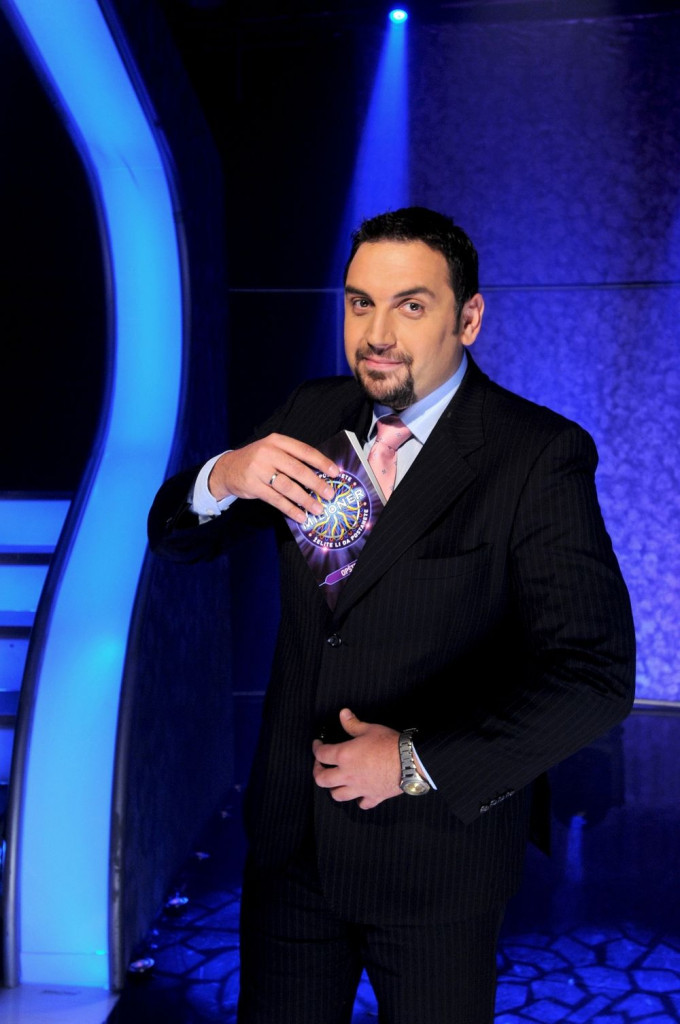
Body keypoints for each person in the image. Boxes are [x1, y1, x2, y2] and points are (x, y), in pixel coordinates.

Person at [148, 207, 635, 1024]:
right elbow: (175, 539)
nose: (377, 334)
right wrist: (224, 475)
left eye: (411, 305)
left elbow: (595, 677)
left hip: (434, 858)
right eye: (359, 303)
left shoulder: (536, 454)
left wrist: (413, 761)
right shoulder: (311, 414)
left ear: (468, 319)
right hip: (292, 847)